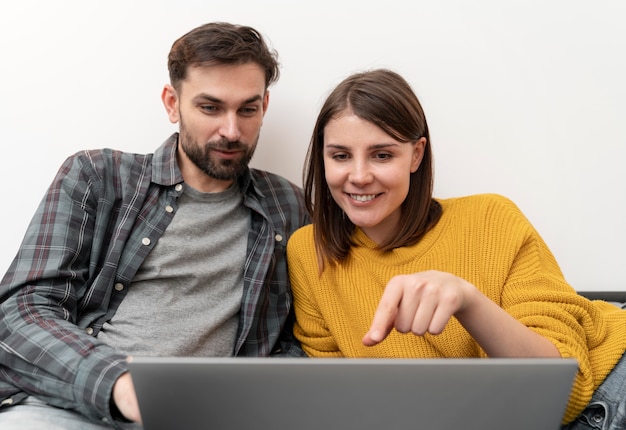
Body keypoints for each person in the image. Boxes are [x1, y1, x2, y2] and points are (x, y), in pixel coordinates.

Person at [0, 22, 309, 429]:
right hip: (75, 408)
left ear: (264, 106)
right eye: (210, 107)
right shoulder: (98, 176)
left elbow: (295, 337)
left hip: (209, 415)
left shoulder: (287, 205)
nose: (231, 131)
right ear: (172, 103)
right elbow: (19, 315)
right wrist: (123, 385)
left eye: (247, 109)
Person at [286, 68, 626, 428]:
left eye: (381, 155)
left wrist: (467, 300)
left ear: (416, 155)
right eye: (340, 156)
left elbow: (560, 389)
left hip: (607, 389)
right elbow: (340, 397)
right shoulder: (309, 253)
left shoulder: (492, 219)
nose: (358, 176)